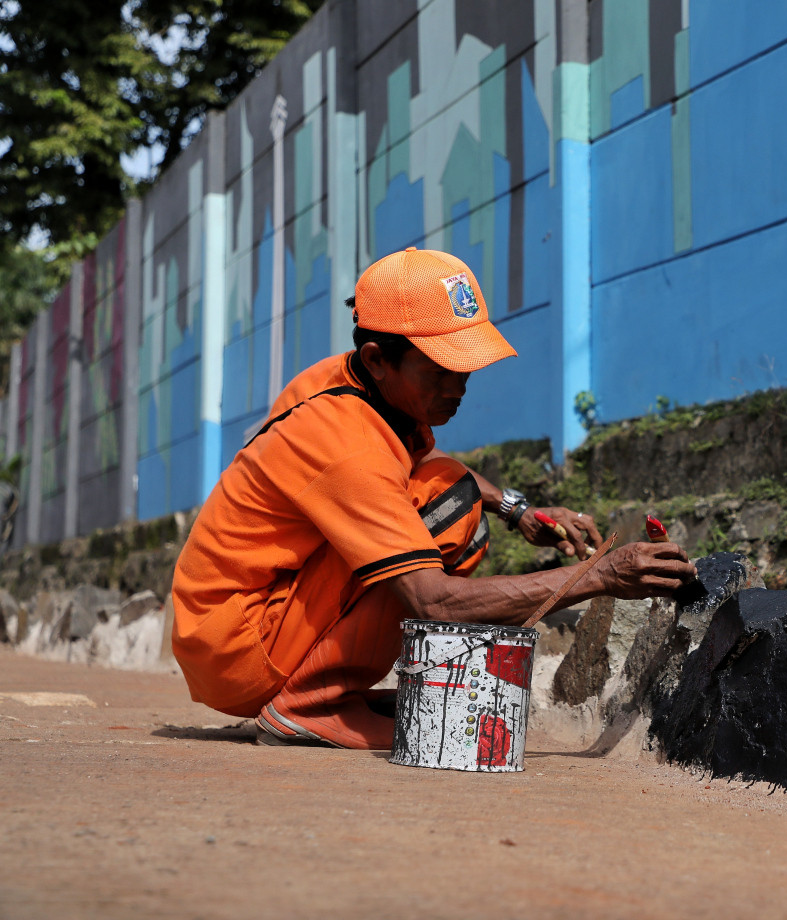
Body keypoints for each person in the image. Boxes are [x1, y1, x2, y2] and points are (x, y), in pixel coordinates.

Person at [170, 247, 695, 749]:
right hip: (242, 647)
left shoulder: (351, 382)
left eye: (465, 366)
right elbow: (433, 600)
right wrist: (602, 576)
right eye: (440, 369)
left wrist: (517, 509)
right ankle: (309, 706)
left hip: (224, 630)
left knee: (452, 487)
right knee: (450, 511)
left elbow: (426, 469)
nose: (459, 385)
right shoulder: (347, 448)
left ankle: (323, 688)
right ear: (378, 359)